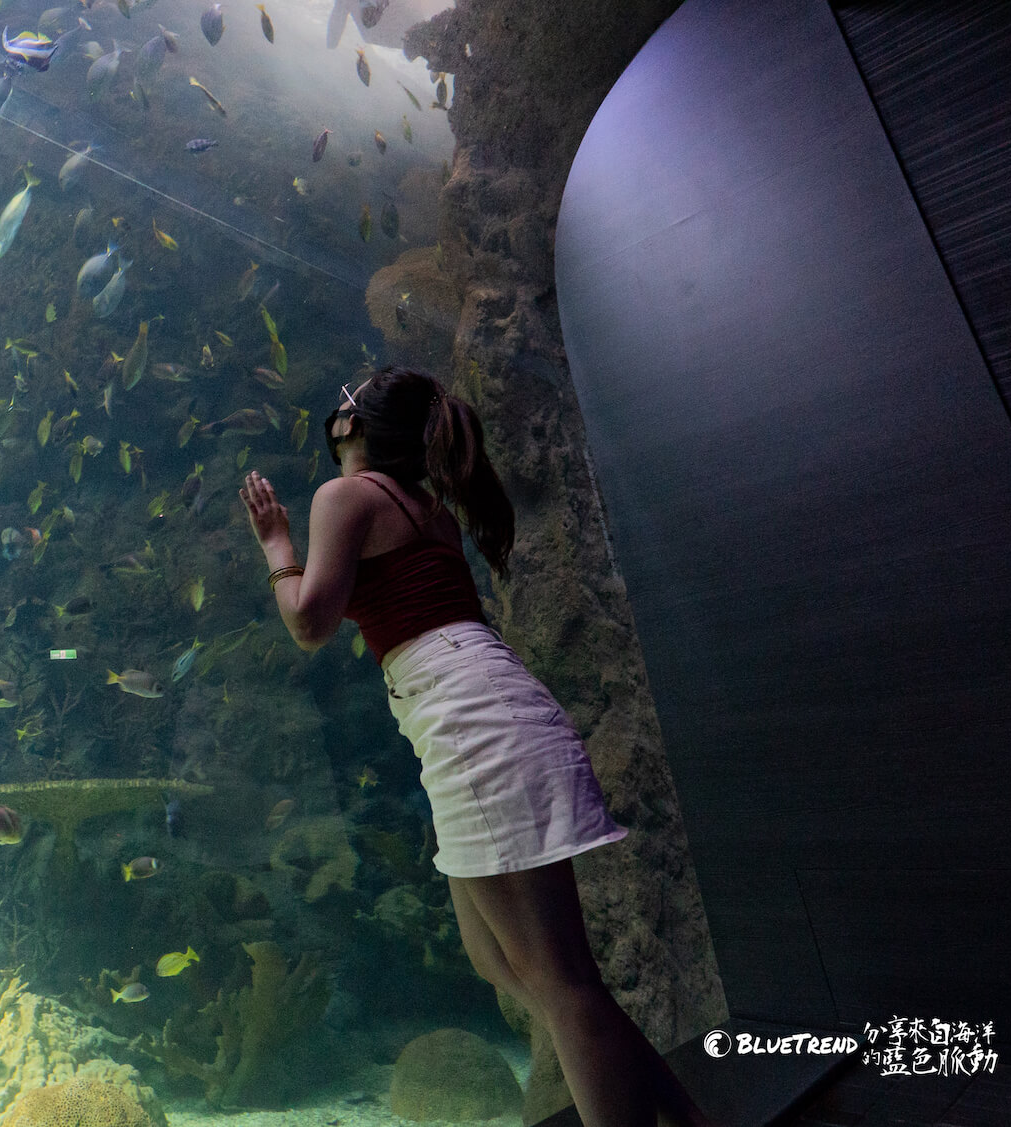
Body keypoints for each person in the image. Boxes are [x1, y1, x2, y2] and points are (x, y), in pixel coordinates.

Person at [239, 366, 714, 1127]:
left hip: (474, 729)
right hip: (475, 722)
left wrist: (276, 544)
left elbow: (308, 622)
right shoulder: (423, 506)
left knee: (560, 979)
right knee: (514, 968)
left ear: (349, 425)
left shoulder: (347, 495)